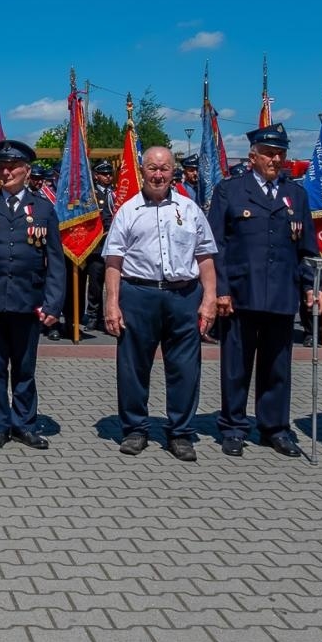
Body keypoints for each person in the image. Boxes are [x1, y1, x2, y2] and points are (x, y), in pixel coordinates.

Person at [206, 123, 319, 458]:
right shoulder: (231, 190)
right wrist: (220, 290)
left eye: (280, 153)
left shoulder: (295, 194)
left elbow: (308, 249)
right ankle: (233, 427)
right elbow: (216, 245)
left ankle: (275, 428)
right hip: (241, 293)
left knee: (277, 366)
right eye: (269, 153)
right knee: (236, 365)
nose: (276, 159)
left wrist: (312, 288)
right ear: (253, 156)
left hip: (282, 292)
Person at [103, 146, 217, 461]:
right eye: (152, 168)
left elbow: (205, 256)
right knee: (133, 367)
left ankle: (180, 433)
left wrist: (209, 300)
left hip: (183, 296)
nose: (158, 174)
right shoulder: (127, 211)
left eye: (164, 168)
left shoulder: (190, 209)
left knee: (184, 368)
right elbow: (114, 260)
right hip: (138, 295)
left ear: (172, 171)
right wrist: (112, 303)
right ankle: (135, 429)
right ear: (142, 170)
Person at [0, 140, 66, 451]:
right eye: (2, 166)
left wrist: (53, 303)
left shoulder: (44, 209)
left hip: (27, 302)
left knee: (24, 369)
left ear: (26, 171)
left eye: (13, 167)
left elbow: (55, 262)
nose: (6, 172)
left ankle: (24, 425)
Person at [82, 160, 116, 331]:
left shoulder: (117, 193)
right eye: (104, 174)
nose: (108, 177)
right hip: (98, 247)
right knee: (95, 285)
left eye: (110, 173)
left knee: (113, 284)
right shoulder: (91, 195)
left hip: (115, 247)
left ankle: (111, 314)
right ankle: (94, 315)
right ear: (96, 175)